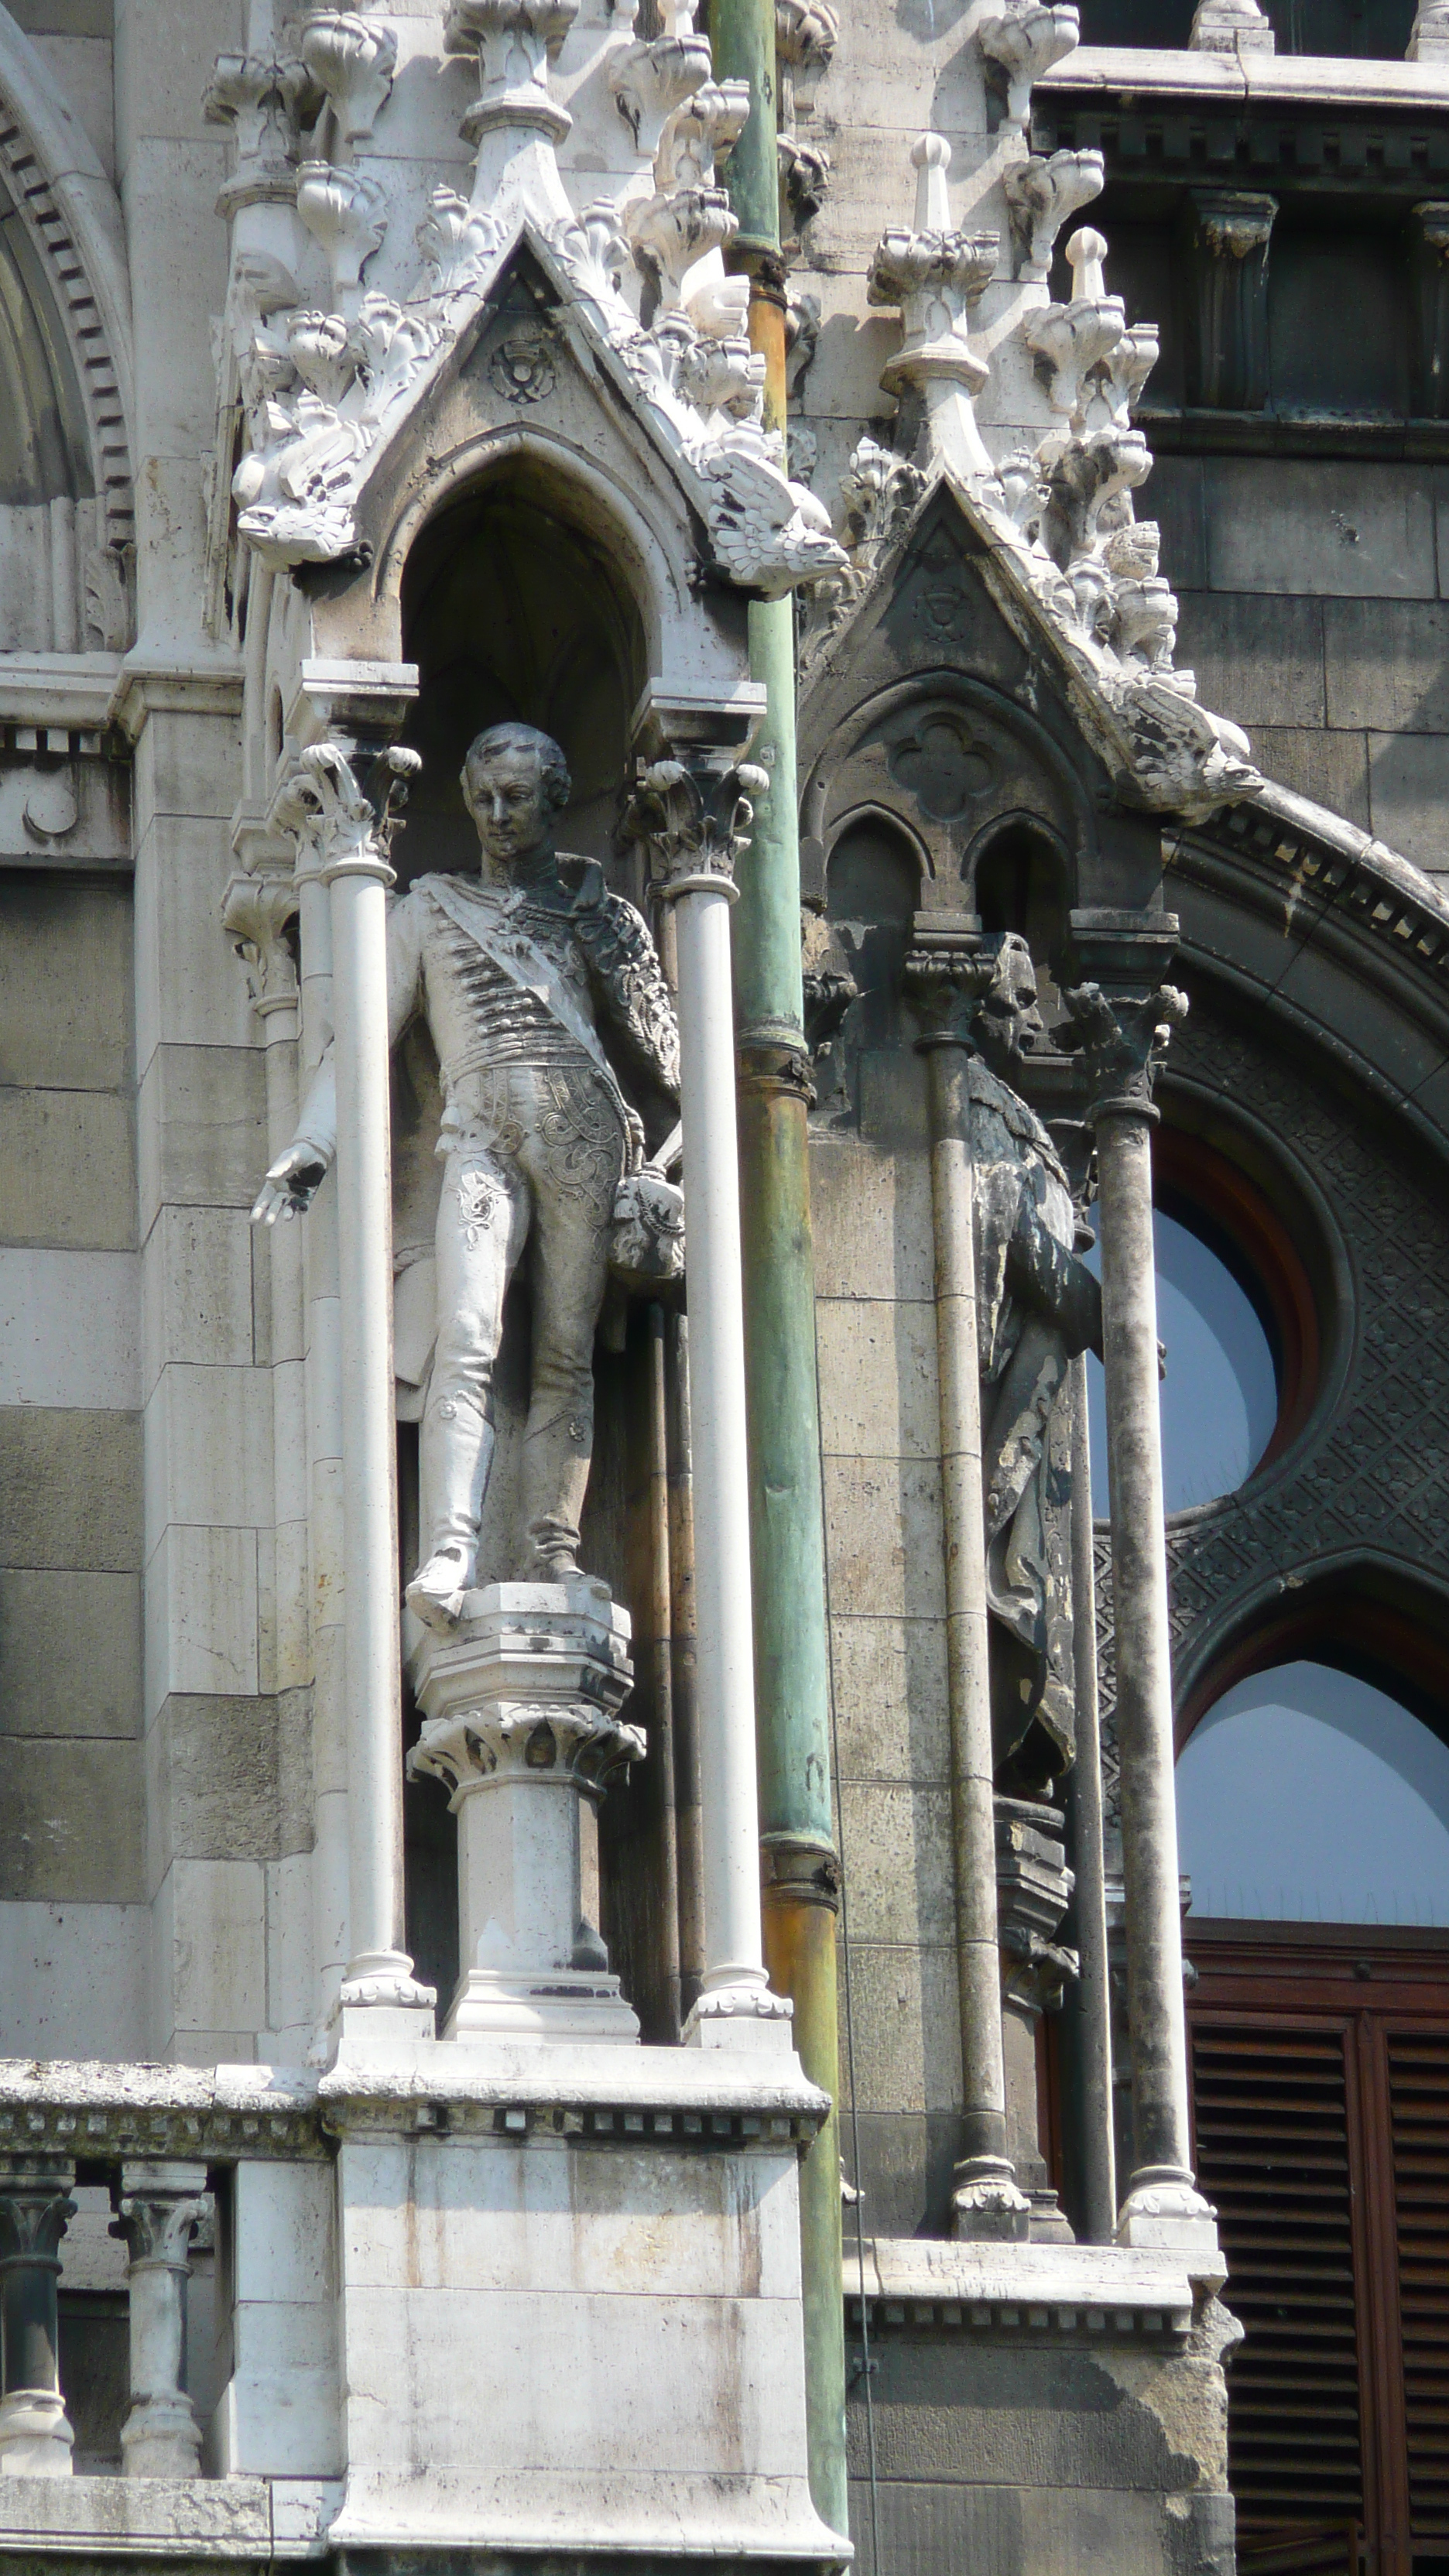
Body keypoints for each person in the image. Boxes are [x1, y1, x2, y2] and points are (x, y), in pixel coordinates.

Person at [252, 721, 680, 1625]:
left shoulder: (587, 908)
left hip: (583, 1133)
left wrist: (608, 932)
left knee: (566, 1352)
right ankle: (450, 1547)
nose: (495, 816)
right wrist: (313, 1143)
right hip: (478, 1133)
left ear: (554, 800)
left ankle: (554, 1552)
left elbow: (672, 1060)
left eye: (516, 799)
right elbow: (364, 1040)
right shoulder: (431, 906)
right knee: (467, 1330)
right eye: (482, 798)